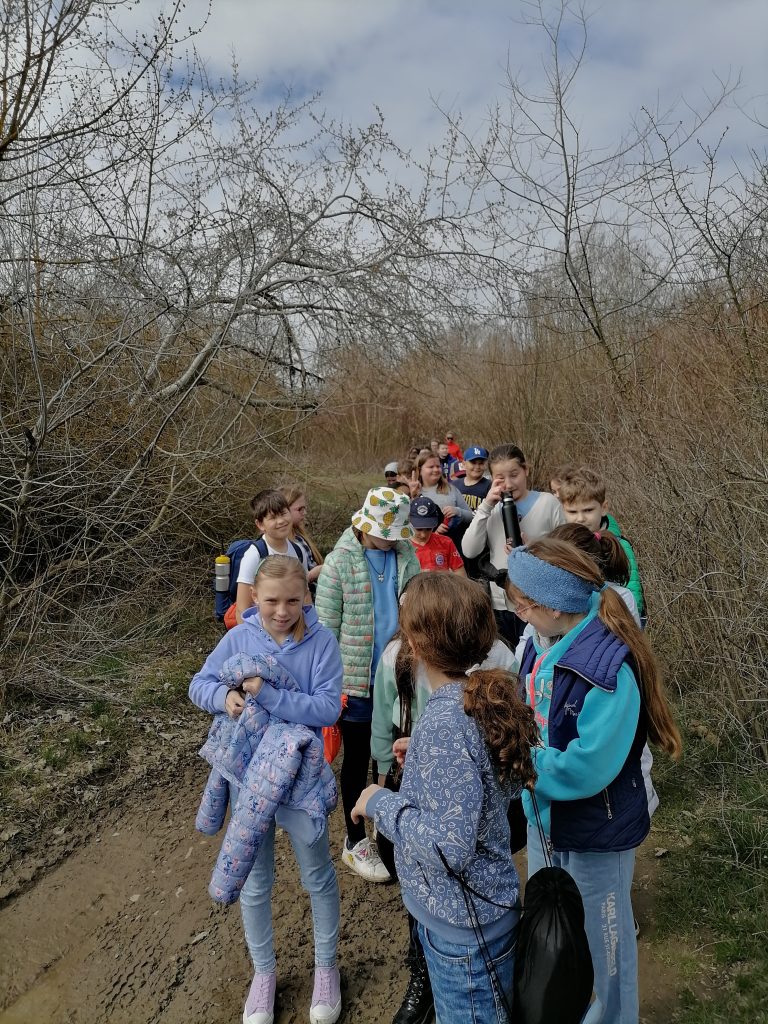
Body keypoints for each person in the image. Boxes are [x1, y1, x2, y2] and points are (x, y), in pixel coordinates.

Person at [505, 538, 682, 1024]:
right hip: (546, 821)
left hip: (596, 832)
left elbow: (589, 766)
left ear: (552, 606)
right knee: (557, 929)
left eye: (522, 606)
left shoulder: (607, 671)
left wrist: (521, 763)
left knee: (604, 949)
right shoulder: (541, 644)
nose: (518, 615)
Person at [352, 573, 539, 1024]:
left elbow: (448, 847)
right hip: (482, 915)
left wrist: (379, 801)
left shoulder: (446, 722)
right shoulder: (475, 701)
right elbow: (498, 782)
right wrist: (423, 753)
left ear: (414, 645)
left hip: (464, 934)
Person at [188, 556, 344, 1024]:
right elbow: (200, 684)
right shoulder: (238, 638)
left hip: (300, 782)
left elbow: (326, 709)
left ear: (305, 596)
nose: (282, 611)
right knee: (255, 882)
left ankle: (326, 968)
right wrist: (225, 697)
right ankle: (264, 973)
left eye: (293, 600)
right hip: (248, 782)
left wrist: (267, 694)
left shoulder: (322, 643)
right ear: (254, 597)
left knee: (317, 875)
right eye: (272, 601)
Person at [314, 487, 420, 883]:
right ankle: (355, 838)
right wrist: (328, 685)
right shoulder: (339, 562)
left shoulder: (406, 557)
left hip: (400, 676)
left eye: (396, 534)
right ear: (364, 526)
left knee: (394, 753)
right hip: (357, 682)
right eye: (384, 533)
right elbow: (325, 629)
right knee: (358, 759)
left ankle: (387, 823)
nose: (390, 541)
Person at [461, 444, 565, 647]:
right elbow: (469, 550)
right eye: (500, 478)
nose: (508, 484)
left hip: (538, 603)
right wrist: (485, 507)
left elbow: (566, 550)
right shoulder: (491, 509)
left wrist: (535, 548)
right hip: (500, 602)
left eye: (514, 475)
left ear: (526, 470)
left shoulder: (548, 503)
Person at [557, 467, 645, 619]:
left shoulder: (619, 545)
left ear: (604, 508)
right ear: (563, 510)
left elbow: (632, 589)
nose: (580, 518)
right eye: (572, 512)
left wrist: (630, 622)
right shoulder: (561, 544)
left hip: (615, 619)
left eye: (588, 510)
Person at [234, 490, 309, 624]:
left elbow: (305, 596)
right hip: (262, 628)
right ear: (260, 524)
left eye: (283, 513)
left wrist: (309, 627)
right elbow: (242, 609)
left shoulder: (299, 551)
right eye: (273, 518)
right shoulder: (254, 555)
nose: (281, 521)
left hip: (291, 625)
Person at [415, 451, 473, 547]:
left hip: (452, 544)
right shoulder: (415, 492)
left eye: (438, 466)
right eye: (431, 467)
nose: (436, 469)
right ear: (420, 470)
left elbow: (472, 516)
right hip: (425, 547)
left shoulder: (451, 489)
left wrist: (458, 511)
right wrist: (433, 530)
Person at [279, 484, 324, 589]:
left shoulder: (299, 537)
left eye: (304, 508)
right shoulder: (281, 545)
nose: (305, 513)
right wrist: (313, 574)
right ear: (284, 511)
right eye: (300, 509)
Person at [408, 496, 466, 575]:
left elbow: (461, 574)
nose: (423, 535)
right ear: (408, 522)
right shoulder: (402, 546)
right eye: (418, 529)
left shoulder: (446, 542)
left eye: (429, 529)